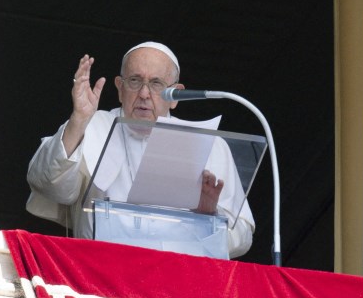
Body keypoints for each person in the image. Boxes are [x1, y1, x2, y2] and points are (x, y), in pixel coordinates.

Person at [26, 41, 255, 258]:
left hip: (178, 282)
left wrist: (207, 217)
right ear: (120, 88)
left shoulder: (210, 144)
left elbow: (242, 236)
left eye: (156, 83)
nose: (144, 94)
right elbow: (49, 186)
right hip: (100, 273)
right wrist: (78, 119)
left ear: (175, 95)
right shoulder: (92, 126)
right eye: (135, 81)